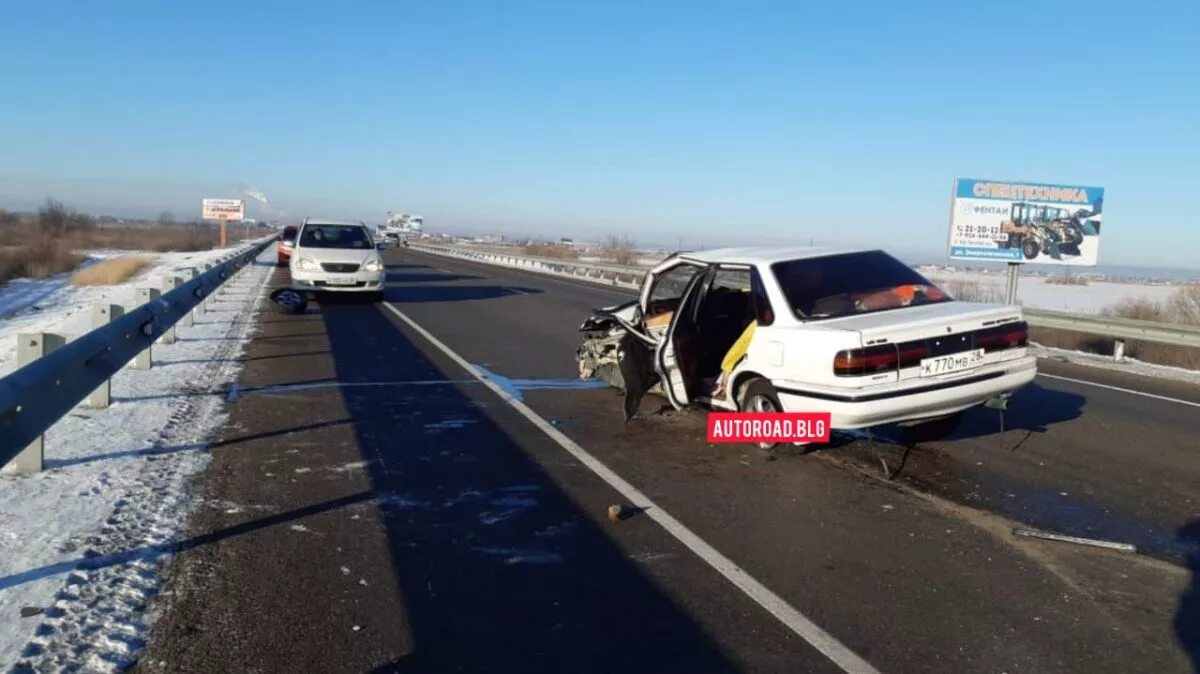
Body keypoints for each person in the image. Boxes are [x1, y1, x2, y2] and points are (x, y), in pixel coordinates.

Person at [711, 319, 756, 399]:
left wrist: (726, 367)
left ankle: (720, 386)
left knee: (727, 365)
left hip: (735, 366)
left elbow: (735, 352)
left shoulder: (755, 326)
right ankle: (719, 383)